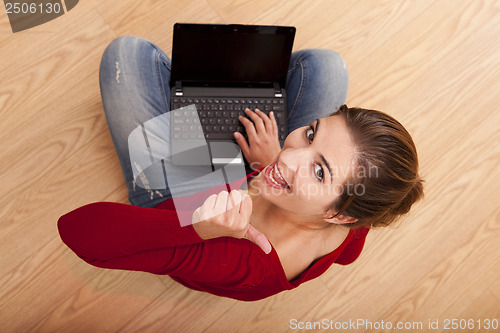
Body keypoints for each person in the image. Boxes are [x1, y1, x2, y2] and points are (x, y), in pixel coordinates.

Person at [58, 36, 424, 301]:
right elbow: (348, 255)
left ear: (338, 215)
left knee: (129, 54)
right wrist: (266, 166)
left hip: (187, 208)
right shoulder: (356, 215)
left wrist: (199, 227)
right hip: (251, 177)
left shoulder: (239, 259)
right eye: (312, 133)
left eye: (319, 171)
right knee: (326, 65)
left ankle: (193, 117)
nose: (288, 155)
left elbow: (76, 233)